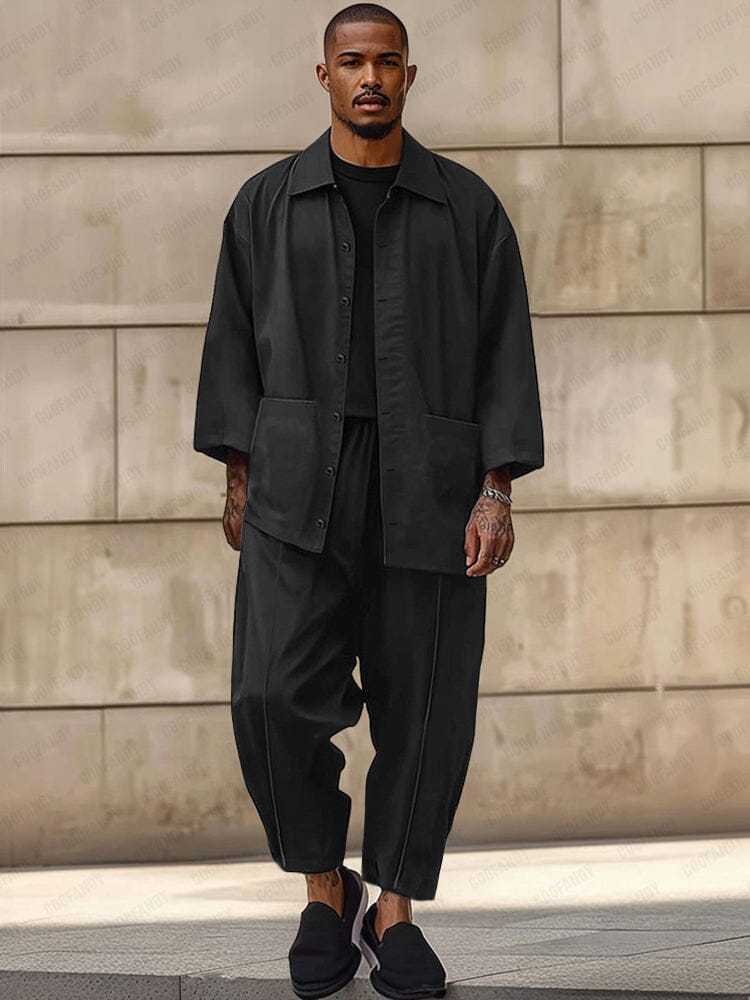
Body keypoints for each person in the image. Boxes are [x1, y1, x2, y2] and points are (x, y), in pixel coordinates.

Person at [193, 4, 544, 997]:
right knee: (269, 694)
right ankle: (324, 887)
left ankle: (393, 910)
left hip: (429, 484)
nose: (371, 78)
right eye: (352, 61)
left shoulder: (467, 209)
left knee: (425, 705)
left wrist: (496, 490)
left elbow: (505, 353)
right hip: (294, 483)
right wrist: (236, 475)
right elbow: (232, 343)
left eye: (387, 61)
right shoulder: (266, 204)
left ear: (409, 75)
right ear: (324, 76)